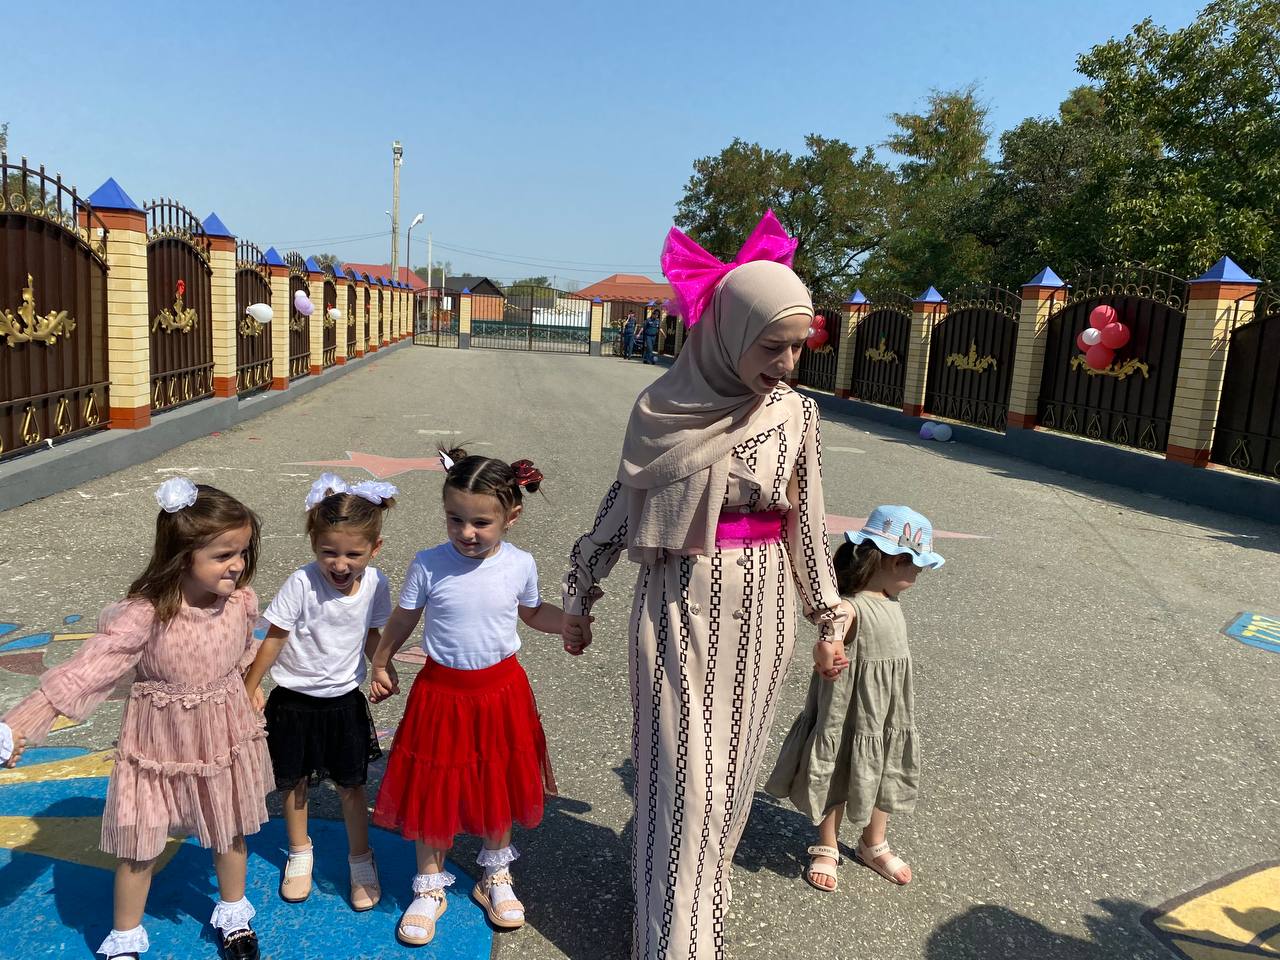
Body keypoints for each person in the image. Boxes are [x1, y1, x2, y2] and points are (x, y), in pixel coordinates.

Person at [560, 211, 846, 959]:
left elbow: (807, 522)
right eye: (772, 345)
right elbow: (622, 507)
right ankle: (674, 944)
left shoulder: (797, 414)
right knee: (685, 780)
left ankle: (688, 911)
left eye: (798, 346)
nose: (788, 363)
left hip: (764, 615)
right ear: (725, 331)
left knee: (727, 787)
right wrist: (581, 590)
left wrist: (828, 614)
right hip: (676, 607)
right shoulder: (662, 410)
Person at [0, 479, 272, 960]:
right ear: (182, 555)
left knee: (228, 828)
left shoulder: (240, 602)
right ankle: (124, 938)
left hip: (221, 733)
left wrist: (251, 686)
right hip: (156, 745)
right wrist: (19, 725)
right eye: (223, 555)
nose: (237, 564)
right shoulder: (147, 615)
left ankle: (233, 914)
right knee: (140, 841)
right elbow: (85, 671)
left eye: (243, 552)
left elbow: (243, 650)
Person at [368, 449, 567, 947]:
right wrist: (381, 660)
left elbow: (533, 612)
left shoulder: (520, 563)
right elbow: (404, 617)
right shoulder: (429, 563)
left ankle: (495, 874)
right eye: (455, 519)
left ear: (511, 516)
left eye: (481, 522)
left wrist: (569, 622)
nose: (467, 532)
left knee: (497, 778)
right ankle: (429, 885)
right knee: (434, 783)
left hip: (501, 693)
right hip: (441, 693)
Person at [765, 506, 943, 893]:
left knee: (884, 769)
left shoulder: (890, 601)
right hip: (846, 712)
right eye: (918, 566)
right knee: (838, 770)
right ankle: (828, 845)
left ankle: (873, 843)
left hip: (886, 712)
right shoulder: (851, 605)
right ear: (895, 560)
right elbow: (829, 634)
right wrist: (826, 653)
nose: (920, 574)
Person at [243, 473, 397, 912]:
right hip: (293, 701)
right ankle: (299, 852)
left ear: (375, 548)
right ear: (314, 544)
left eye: (353, 554)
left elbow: (373, 632)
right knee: (294, 782)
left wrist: (381, 665)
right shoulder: (302, 582)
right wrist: (249, 685)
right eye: (329, 552)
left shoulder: (376, 584)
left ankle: (360, 858)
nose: (340, 564)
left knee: (352, 785)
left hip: (344, 703)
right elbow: (275, 636)